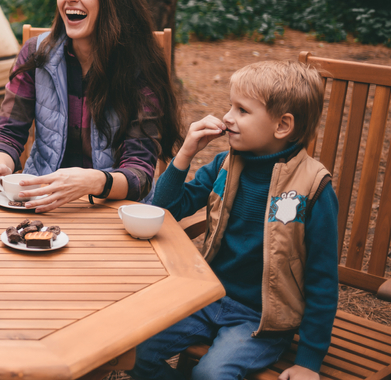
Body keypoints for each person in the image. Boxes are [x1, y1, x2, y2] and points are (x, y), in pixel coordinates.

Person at [131, 60, 338, 380]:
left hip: (261, 319)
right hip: (208, 297)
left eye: (242, 110)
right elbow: (166, 208)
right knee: (137, 352)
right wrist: (184, 154)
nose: (227, 117)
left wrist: (309, 361)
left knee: (211, 375)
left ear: (282, 126)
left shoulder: (312, 188)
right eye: (231, 106)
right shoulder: (225, 165)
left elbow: (322, 278)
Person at [0, 0, 181, 212]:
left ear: (113, 0)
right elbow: (7, 134)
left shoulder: (140, 64)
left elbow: (140, 174)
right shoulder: (36, 54)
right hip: (39, 200)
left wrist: (93, 181)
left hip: (112, 208)